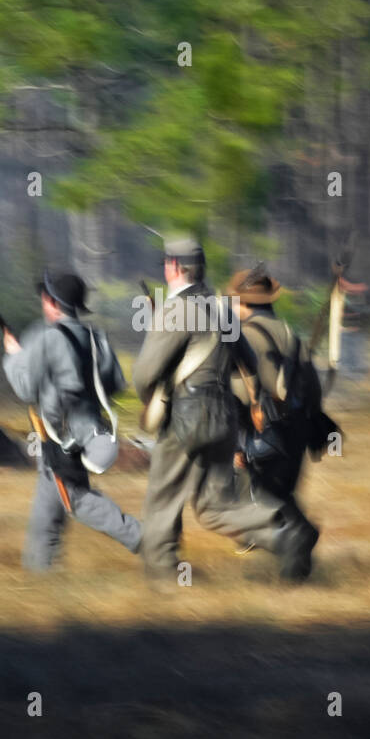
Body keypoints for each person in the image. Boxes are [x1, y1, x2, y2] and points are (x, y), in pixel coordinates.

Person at [132, 238, 318, 584]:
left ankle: (163, 579)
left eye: (166, 263)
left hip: (186, 419)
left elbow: (143, 375)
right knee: (214, 506)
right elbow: (245, 359)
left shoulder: (175, 310)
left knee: (162, 499)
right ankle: (285, 532)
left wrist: (153, 397)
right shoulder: (220, 308)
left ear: (173, 267)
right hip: (224, 421)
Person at [3, 270, 141, 570]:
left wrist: (13, 355)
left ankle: (148, 540)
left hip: (61, 438)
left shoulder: (50, 337)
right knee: (47, 510)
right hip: (88, 431)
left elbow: (25, 388)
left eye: (45, 295)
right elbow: (114, 382)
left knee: (76, 501)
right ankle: (39, 576)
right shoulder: (95, 336)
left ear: (52, 302)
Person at [223, 267, 332, 504]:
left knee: (252, 511)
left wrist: (236, 444)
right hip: (295, 430)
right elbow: (313, 389)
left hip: (258, 435)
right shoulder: (290, 334)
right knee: (283, 502)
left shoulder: (244, 337)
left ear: (243, 304)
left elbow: (238, 393)